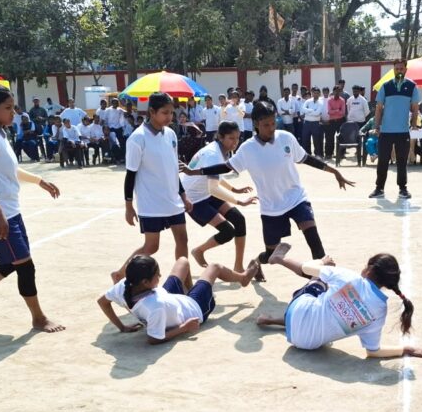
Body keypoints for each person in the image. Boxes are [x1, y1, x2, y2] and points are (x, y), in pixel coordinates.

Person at [181, 101, 354, 280]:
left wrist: (333, 171)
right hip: (271, 207)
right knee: (270, 254)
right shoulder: (247, 148)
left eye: (273, 123)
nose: (271, 128)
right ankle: (255, 262)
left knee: (312, 236)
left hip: (296, 198)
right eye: (266, 125)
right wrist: (195, 171)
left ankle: (324, 280)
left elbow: (305, 158)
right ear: (256, 124)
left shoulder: (286, 138)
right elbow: (225, 168)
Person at [0, 83, 64, 333]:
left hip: (9, 211)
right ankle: (38, 318)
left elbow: (9, 170)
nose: (13, 113)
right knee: (25, 265)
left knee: (14, 260)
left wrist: (40, 180)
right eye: (8, 108)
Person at [255, 244, 422, 359]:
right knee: (327, 309)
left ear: (369, 269)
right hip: (307, 344)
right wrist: (405, 349)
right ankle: (270, 320)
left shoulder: (350, 278)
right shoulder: (380, 311)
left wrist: (323, 262)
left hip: (297, 312)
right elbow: (373, 352)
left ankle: (278, 258)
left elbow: (306, 268)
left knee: (320, 281)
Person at [112, 92, 193, 283]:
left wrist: (183, 196)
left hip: (173, 200)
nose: (169, 117)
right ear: (152, 112)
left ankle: (184, 282)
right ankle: (120, 273)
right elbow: (130, 175)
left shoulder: (171, 134)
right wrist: (129, 206)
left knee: (182, 240)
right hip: (151, 203)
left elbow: (173, 168)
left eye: (171, 113)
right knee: (151, 247)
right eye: (165, 113)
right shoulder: (137, 138)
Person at [98, 255, 259, 344]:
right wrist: (184, 327)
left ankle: (190, 289)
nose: (160, 276)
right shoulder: (155, 306)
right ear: (145, 282)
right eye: (157, 275)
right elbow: (154, 338)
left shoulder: (124, 285)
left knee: (183, 261)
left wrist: (122, 327)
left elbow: (102, 302)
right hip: (193, 308)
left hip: (166, 296)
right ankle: (243, 278)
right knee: (215, 267)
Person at [182, 121, 258, 272]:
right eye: (231, 138)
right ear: (220, 137)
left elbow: (214, 176)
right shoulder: (213, 154)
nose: (235, 142)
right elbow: (213, 188)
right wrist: (239, 201)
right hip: (194, 199)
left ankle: (238, 266)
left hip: (206, 193)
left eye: (237, 138)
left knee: (239, 220)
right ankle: (199, 251)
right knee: (227, 231)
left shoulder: (221, 150)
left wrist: (234, 189)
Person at [370, 59, 420, 200]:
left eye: (401, 69)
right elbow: (379, 108)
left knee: (402, 161)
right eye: (396, 69)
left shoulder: (412, 87)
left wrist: (414, 124)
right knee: (383, 161)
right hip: (385, 131)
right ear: (393, 70)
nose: (399, 71)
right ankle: (379, 189)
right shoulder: (385, 86)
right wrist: (376, 126)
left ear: (405, 70)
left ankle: (403, 189)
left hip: (403, 131)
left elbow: (415, 108)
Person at [300, 87, 324, 156]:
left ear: (319, 94)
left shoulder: (321, 102)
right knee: (305, 139)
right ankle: (307, 154)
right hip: (307, 123)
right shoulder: (308, 101)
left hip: (315, 124)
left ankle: (318, 155)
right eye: (314, 93)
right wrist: (312, 110)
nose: (315, 94)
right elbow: (303, 109)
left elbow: (317, 113)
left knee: (316, 140)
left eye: (317, 93)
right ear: (312, 93)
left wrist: (308, 111)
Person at [325, 86, 346, 160]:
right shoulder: (329, 100)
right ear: (333, 92)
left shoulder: (342, 100)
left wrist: (334, 110)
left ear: (340, 92)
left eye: (339, 91)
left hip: (340, 121)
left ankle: (341, 154)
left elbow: (343, 113)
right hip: (332, 121)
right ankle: (329, 154)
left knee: (341, 137)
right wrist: (337, 110)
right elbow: (329, 112)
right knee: (329, 138)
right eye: (336, 91)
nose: (337, 93)